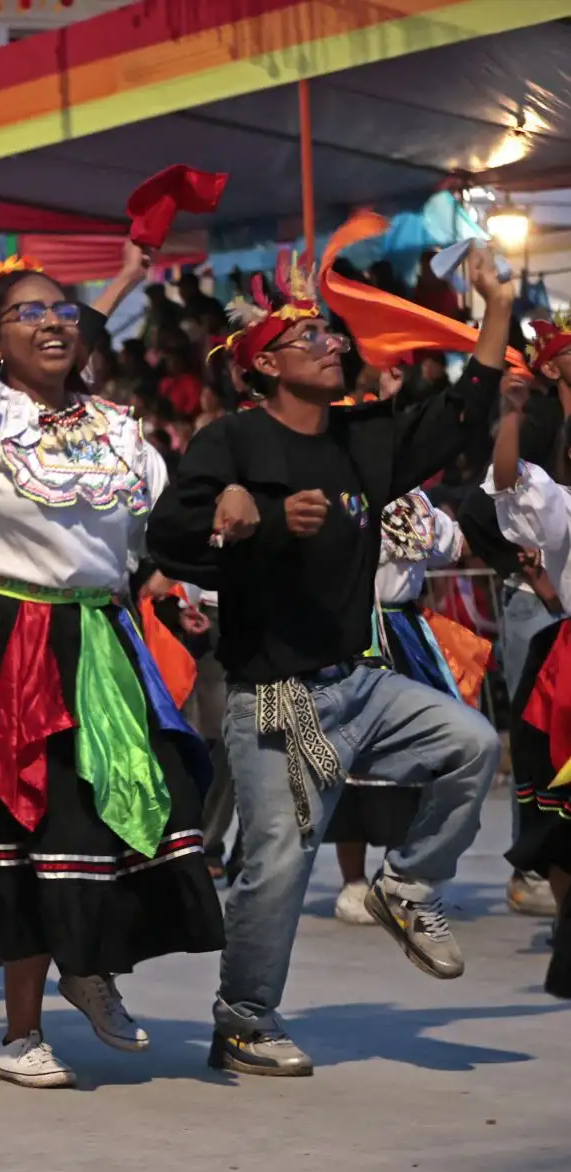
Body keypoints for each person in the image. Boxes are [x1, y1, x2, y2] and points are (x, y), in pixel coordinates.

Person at [0, 171, 221, 1088]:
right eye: (26, 313)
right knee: (26, 821)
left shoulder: (119, 428)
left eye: (63, 310)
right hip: (10, 639)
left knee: (136, 808)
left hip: (103, 639)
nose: (51, 322)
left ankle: (90, 966)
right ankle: (19, 1034)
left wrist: (189, 575)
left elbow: (154, 536)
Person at [147, 248, 509, 1078]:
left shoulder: (361, 439)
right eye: (309, 336)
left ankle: (407, 884)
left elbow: (462, 414)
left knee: (472, 744)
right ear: (266, 363)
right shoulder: (232, 439)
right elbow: (170, 536)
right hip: (277, 696)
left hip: (361, 682)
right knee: (279, 863)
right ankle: (244, 1019)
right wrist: (248, 517)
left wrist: (493, 308)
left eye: (332, 334)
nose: (332, 344)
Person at [327, 485, 478, 924]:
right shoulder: (346, 489)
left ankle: (399, 876)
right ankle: (352, 883)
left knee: (420, 757)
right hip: (355, 633)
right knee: (352, 755)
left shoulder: (418, 501)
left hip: (407, 634)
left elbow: (457, 544)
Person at [485, 313, 571, 997]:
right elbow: (508, 477)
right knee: (563, 811)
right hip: (567, 663)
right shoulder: (560, 504)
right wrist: (513, 411)